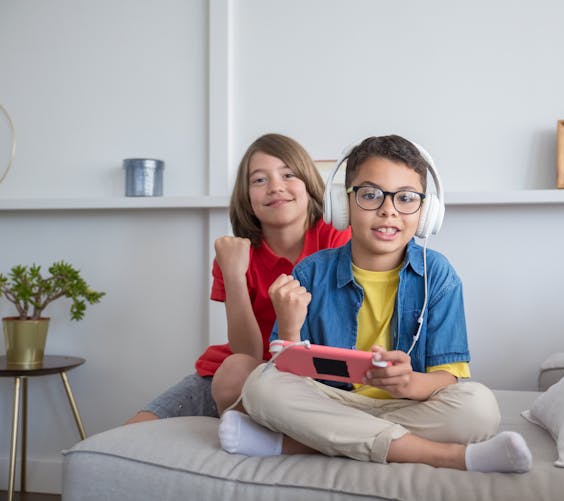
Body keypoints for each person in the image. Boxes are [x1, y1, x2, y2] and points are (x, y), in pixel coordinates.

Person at [217, 135, 532, 473]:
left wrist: (410, 383)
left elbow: (447, 378)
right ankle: (445, 456)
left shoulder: (438, 275)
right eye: (370, 195)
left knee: (479, 407)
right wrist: (290, 325)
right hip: (332, 400)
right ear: (342, 205)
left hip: (404, 407)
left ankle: (299, 444)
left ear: (426, 213)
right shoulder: (311, 271)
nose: (388, 210)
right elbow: (289, 371)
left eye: (406, 198)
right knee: (263, 386)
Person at [125, 133, 350, 424]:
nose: (275, 187)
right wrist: (233, 275)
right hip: (238, 371)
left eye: (288, 175)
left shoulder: (337, 239)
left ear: (309, 184)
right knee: (135, 428)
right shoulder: (234, 254)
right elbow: (249, 353)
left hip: (307, 372)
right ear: (246, 196)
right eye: (259, 180)